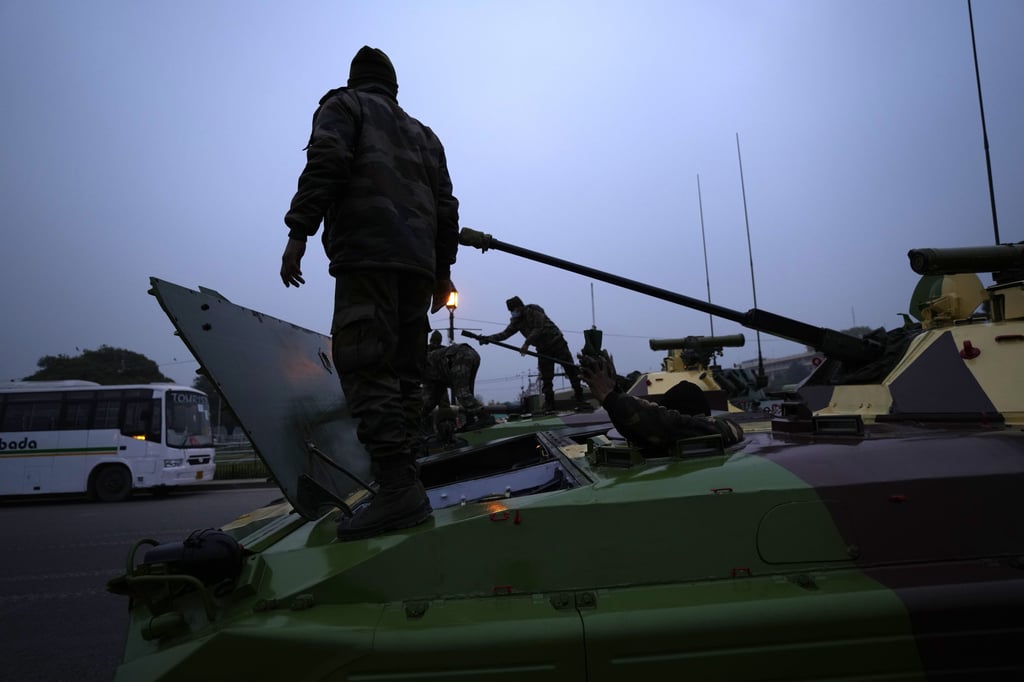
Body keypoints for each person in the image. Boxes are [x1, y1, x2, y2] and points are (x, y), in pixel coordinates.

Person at [280, 46, 459, 541]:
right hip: (417, 267)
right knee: (405, 375)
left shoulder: (346, 106)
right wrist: (442, 274)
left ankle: (399, 489)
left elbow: (328, 162)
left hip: (367, 256)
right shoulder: (426, 136)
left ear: (356, 79)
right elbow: (447, 208)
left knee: (366, 367)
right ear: (394, 87)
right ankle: (401, 481)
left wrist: (299, 232)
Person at [578, 350, 744, 454]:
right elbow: (653, 426)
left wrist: (611, 398)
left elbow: (667, 426)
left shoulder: (716, 429)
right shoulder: (672, 432)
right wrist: (614, 393)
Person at [481, 296, 589, 412]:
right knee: (546, 378)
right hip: (543, 349)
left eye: (514, 309)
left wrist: (526, 344)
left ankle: (580, 399)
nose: (513, 313)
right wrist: (489, 339)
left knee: (571, 371)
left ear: (520, 307)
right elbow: (505, 334)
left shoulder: (534, 311)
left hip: (557, 343)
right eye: (511, 311)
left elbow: (538, 328)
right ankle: (549, 404)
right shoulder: (517, 322)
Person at [421, 330, 492, 432]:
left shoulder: (424, 364)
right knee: (468, 391)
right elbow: (435, 395)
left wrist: (422, 414)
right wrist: (424, 412)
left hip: (460, 355)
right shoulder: (437, 354)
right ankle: (470, 420)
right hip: (472, 353)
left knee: (462, 393)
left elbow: (430, 397)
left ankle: (485, 417)